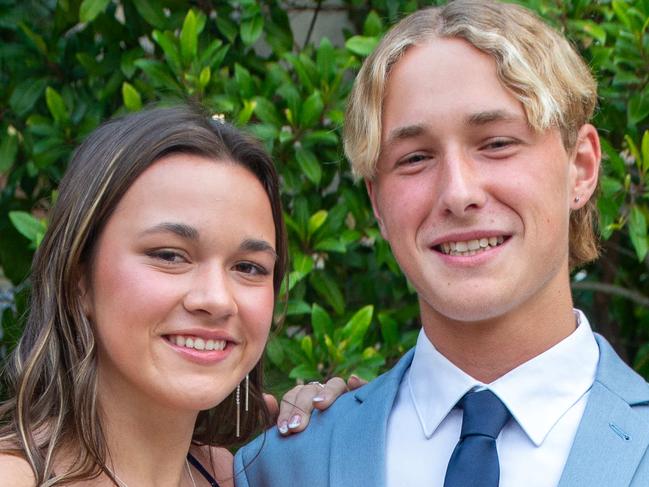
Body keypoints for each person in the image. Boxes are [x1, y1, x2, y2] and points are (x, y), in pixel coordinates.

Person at [234, 1, 649, 486]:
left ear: (580, 167)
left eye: (496, 143)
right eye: (414, 158)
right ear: (377, 202)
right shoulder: (282, 465)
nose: (458, 193)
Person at [0, 105, 290, 486]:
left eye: (248, 267)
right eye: (169, 255)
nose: (217, 299)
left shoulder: (229, 474)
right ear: (78, 279)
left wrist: (341, 430)